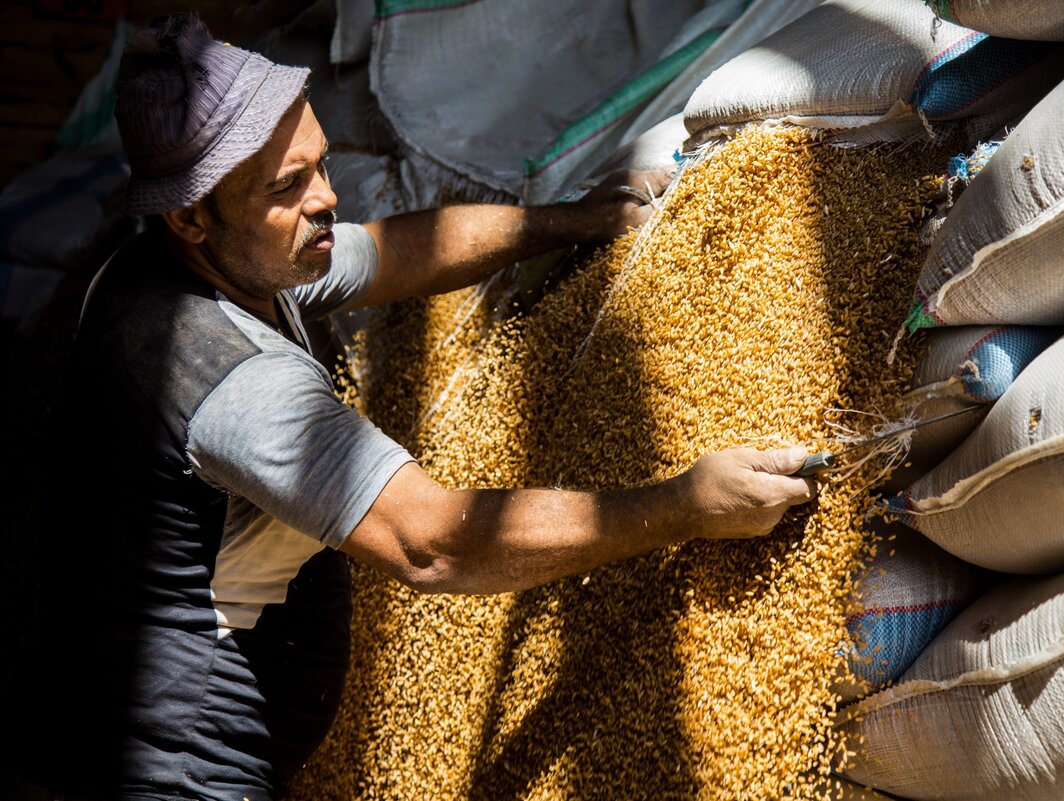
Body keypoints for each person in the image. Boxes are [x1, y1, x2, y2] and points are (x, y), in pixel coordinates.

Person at [5, 14, 817, 801]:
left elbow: (397, 252)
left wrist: (570, 220)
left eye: (320, 163)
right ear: (190, 216)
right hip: (178, 772)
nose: (325, 199)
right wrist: (683, 504)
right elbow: (430, 543)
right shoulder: (233, 379)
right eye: (289, 186)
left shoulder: (217, 256)